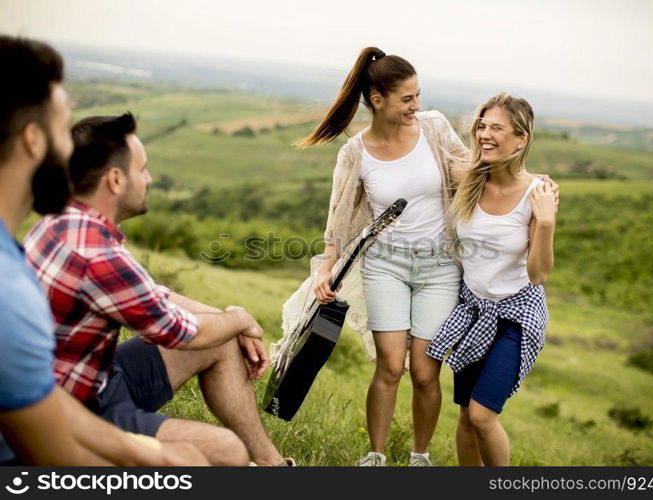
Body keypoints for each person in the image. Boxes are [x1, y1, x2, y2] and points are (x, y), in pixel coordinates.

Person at [294, 47, 557, 466]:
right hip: (386, 264)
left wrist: (534, 187)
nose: (417, 105)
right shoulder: (355, 153)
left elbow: (473, 166)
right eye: (407, 99)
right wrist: (326, 267)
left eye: (419, 95)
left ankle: (421, 458)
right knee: (390, 366)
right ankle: (375, 457)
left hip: (439, 266)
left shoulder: (433, 128)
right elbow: (339, 218)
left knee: (424, 372)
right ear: (378, 101)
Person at [24, 112, 293, 466]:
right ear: (116, 180)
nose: (148, 179)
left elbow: (150, 293)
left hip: (96, 376)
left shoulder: (62, 221)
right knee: (224, 450)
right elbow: (182, 333)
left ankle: (271, 464)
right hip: (75, 412)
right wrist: (239, 318)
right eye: (143, 169)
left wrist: (225, 322)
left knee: (221, 336)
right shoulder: (98, 254)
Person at [0, 35, 207, 466]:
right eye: (65, 130)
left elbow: (42, 401)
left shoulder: (16, 254)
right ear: (35, 140)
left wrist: (153, 454)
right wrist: (163, 465)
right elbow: (55, 456)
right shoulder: (8, 292)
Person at [427, 93, 555, 466]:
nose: (485, 134)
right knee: (466, 417)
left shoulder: (539, 194)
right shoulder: (468, 178)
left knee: (483, 416)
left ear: (522, 138)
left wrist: (545, 222)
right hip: (472, 311)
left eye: (496, 128)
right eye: (481, 126)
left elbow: (539, 273)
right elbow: (427, 144)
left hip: (516, 316)